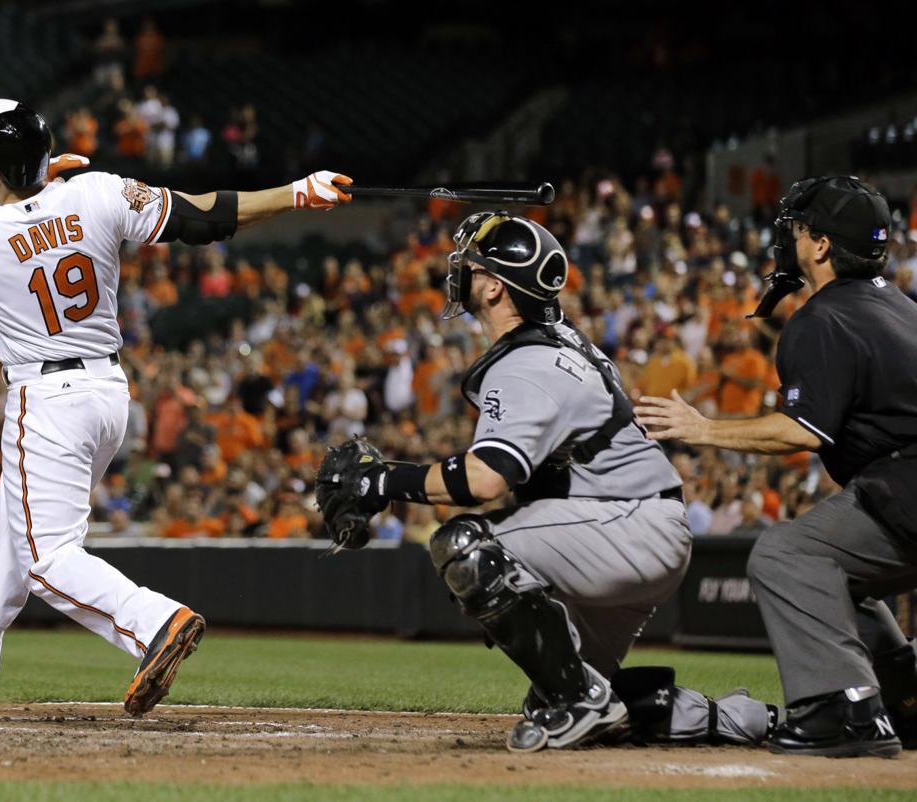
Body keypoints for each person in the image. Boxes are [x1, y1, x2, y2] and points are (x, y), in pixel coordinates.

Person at [0, 98, 352, 723]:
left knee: (45, 559)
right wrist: (298, 192)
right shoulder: (97, 192)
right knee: (4, 541)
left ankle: (153, 622)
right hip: (107, 393)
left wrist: (23, 185)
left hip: (45, 398)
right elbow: (208, 218)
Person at [316, 211, 777, 752]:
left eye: (471, 265)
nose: (459, 272)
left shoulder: (528, 364)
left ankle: (584, 699)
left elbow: (486, 481)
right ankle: (734, 718)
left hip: (624, 524)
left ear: (492, 287)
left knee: (467, 547)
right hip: (628, 522)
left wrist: (384, 481)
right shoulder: (552, 342)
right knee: (561, 691)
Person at [636, 176, 917, 758]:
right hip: (902, 482)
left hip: (906, 481)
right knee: (836, 577)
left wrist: (702, 428)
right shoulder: (902, 307)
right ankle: (906, 699)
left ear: (819, 246)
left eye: (795, 230)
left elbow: (802, 430)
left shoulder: (823, 318)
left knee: (785, 554)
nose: (785, 241)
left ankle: (844, 711)